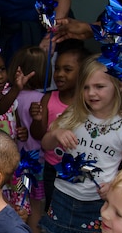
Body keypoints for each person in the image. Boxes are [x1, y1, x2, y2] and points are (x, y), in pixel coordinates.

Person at [40, 55, 122, 233]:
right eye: (86, 87)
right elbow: (45, 144)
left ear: (119, 86)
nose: (91, 93)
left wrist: (116, 186)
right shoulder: (72, 116)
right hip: (64, 196)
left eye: (99, 86)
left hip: (97, 204)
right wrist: (55, 135)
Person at [29, 41, 90, 210]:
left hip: (80, 167)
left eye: (67, 70)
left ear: (83, 73)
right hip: (52, 167)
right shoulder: (48, 98)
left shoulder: (88, 102)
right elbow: (38, 135)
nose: (60, 74)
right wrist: (36, 119)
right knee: (53, 208)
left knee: (77, 207)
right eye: (57, 69)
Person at [7, 46, 48, 233]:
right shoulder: (41, 99)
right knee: (36, 206)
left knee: (20, 202)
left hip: (16, 165)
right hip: (35, 164)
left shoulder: (10, 95)